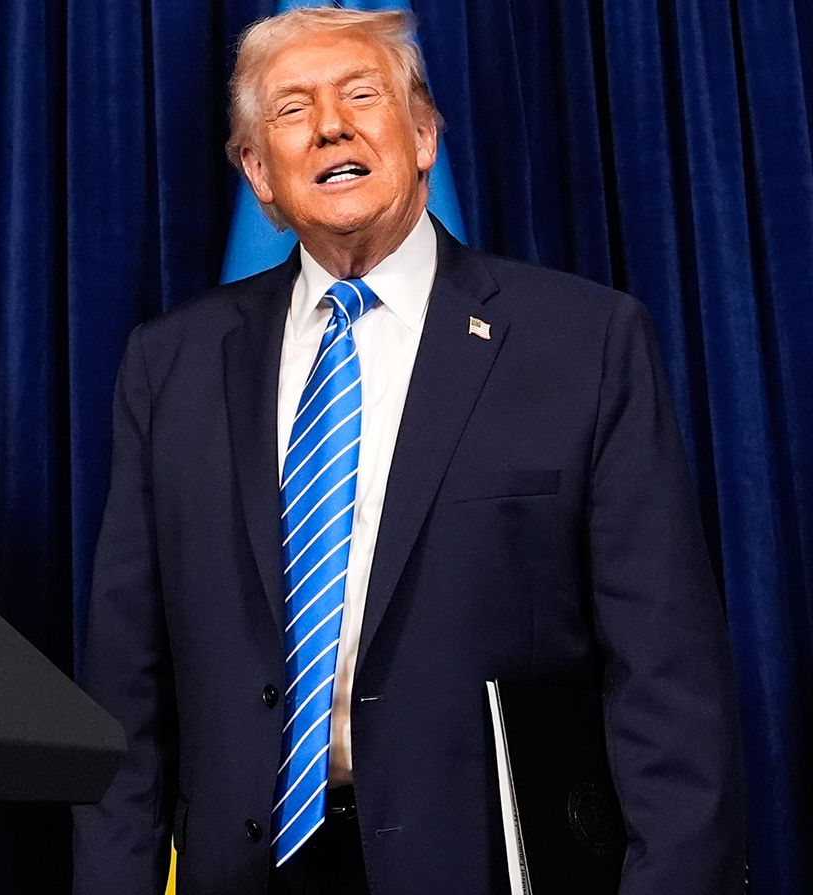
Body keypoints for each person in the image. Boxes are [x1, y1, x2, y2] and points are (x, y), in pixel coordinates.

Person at [71, 8, 744, 894]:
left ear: (423, 134)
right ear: (258, 174)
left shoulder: (583, 342)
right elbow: (127, 690)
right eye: (291, 110)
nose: (332, 125)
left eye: (361, 95)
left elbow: (667, 676)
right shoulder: (172, 365)